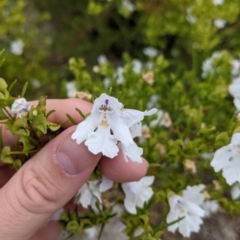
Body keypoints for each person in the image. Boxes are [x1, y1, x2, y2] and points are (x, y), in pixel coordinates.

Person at [0, 99, 148, 240]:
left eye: (108, 109)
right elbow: (84, 129)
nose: (105, 111)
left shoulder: (111, 118)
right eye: (102, 107)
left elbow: (121, 132)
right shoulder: (97, 117)